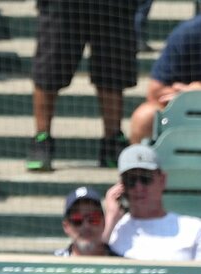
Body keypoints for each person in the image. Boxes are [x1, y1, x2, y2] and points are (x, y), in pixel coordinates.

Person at [27, 0, 136, 171]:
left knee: (112, 69)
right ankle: (42, 140)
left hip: (114, 7)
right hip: (63, 5)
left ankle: (112, 141)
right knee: (49, 66)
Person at [103, 143, 201, 260]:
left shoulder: (193, 229)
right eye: (131, 180)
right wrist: (111, 219)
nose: (138, 187)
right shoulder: (114, 230)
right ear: (122, 185)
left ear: (162, 180)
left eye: (145, 178)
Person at [127, 13, 201, 145]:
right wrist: (189, 94)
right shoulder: (188, 33)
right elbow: (154, 93)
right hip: (184, 113)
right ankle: (139, 164)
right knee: (145, 117)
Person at [55, 186, 111, 257]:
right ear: (66, 226)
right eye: (77, 220)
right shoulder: (52, 264)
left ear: (104, 223)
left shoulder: (121, 263)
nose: (86, 226)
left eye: (93, 218)